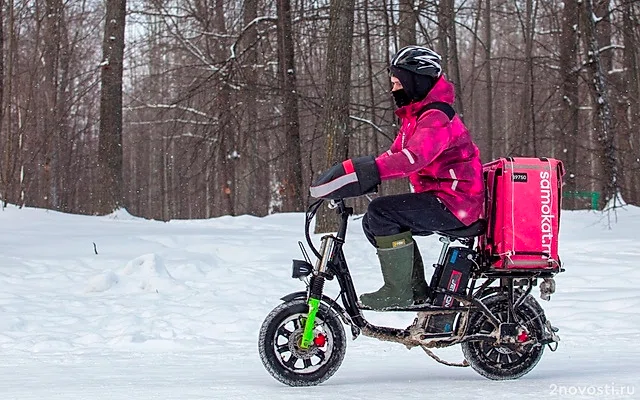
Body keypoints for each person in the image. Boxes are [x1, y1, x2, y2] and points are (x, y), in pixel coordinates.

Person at [310, 45, 484, 314]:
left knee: (382, 212)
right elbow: (394, 154)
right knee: (373, 221)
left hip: (456, 203)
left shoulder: (436, 117)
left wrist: (371, 171)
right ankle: (416, 291)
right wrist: (354, 172)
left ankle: (399, 292)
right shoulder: (417, 118)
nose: (393, 90)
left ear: (416, 81)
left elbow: (414, 157)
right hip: (443, 199)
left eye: (397, 83)